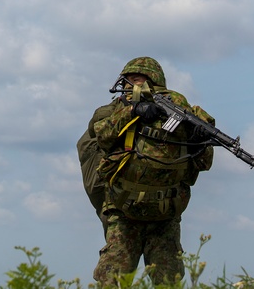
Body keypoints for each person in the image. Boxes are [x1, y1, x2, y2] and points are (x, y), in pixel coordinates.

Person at [84, 57, 215, 286]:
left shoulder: (179, 109)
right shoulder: (114, 110)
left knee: (168, 281)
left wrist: (200, 140)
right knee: (112, 279)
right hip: (124, 211)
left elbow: (204, 164)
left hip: (165, 214)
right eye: (131, 80)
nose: (134, 85)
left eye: (140, 80)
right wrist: (134, 111)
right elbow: (101, 136)